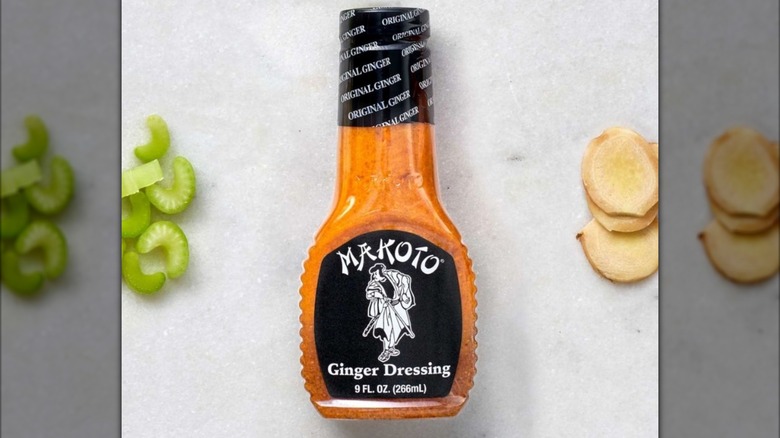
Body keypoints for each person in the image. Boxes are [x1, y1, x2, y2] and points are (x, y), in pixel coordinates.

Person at [363, 263, 416, 362]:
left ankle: (391, 347)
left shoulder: (392, 275)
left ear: (380, 272)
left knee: (397, 329)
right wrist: (378, 295)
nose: (374, 276)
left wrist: (402, 296)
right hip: (385, 309)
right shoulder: (374, 283)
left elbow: (404, 279)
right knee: (386, 330)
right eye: (373, 274)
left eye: (375, 273)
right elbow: (369, 295)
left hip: (398, 307)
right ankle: (386, 350)